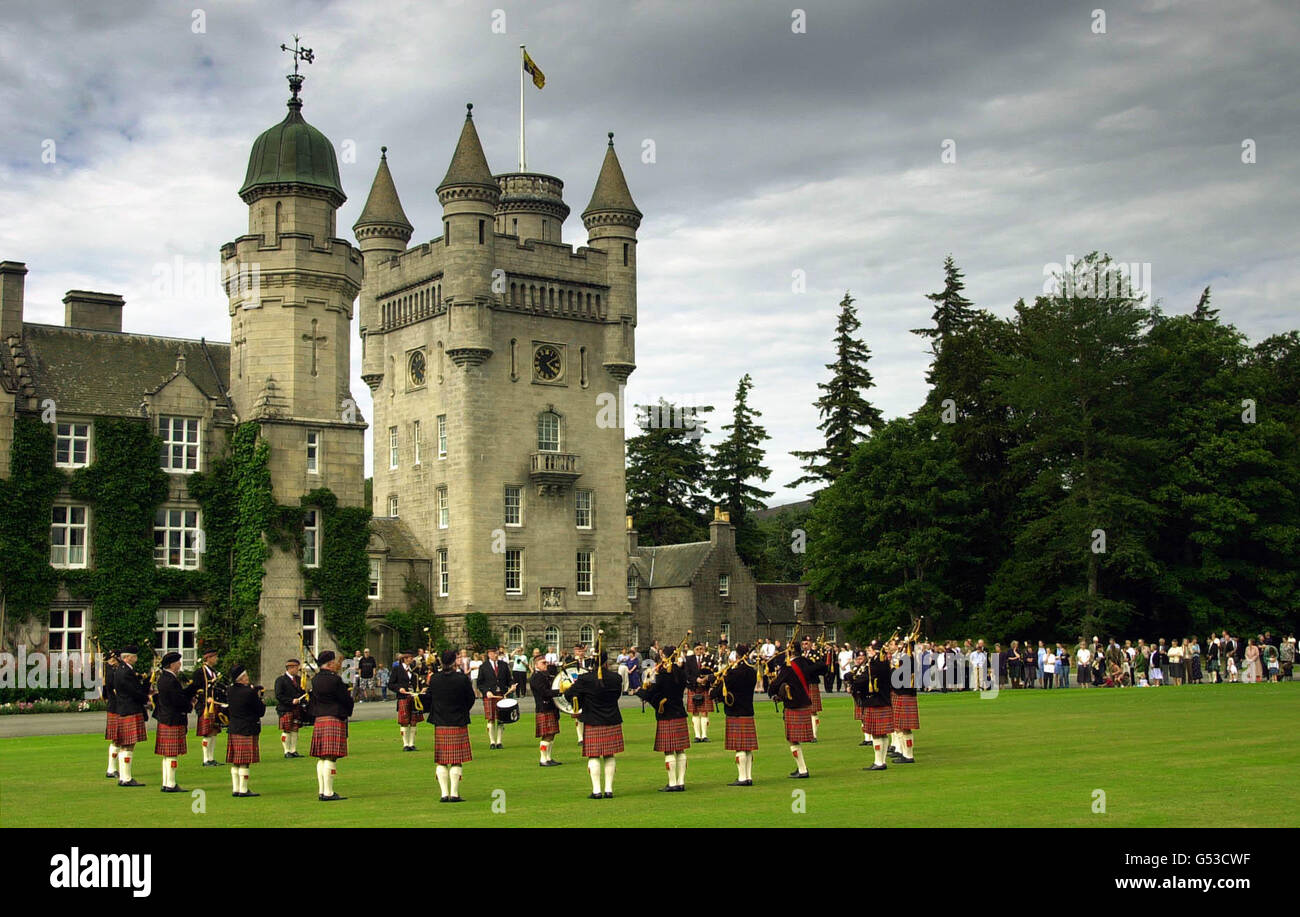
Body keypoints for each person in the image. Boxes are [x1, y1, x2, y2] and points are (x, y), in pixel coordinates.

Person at [563, 650, 624, 799]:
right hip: (612, 719)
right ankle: (609, 790)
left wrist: (581, 699)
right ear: (606, 662)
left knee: (593, 756)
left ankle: (596, 791)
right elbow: (617, 696)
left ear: (592, 661)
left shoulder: (585, 679)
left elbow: (569, 694)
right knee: (609, 755)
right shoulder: (616, 678)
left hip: (592, 720)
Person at [421, 649, 476, 802]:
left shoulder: (435, 679)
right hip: (458, 721)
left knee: (442, 760)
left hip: (440, 722)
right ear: (453, 662)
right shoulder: (462, 679)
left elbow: (429, 699)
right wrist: (462, 710)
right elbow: (470, 698)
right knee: (456, 760)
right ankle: (455, 794)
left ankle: (444, 794)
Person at [767, 642, 825, 778]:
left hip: (793, 705)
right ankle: (801, 768)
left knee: (792, 739)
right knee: (794, 739)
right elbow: (822, 667)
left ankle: (802, 769)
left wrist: (771, 692)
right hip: (805, 702)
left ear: (790, 652)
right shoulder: (805, 662)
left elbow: (776, 684)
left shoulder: (788, 667)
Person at [637, 651, 690, 791]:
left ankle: (672, 783)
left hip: (666, 715)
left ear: (666, 657)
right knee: (680, 750)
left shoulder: (662, 677)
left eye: (662, 656)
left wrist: (643, 686)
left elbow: (650, 693)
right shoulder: (681, 674)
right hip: (680, 713)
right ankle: (681, 782)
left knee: (668, 751)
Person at [308, 650, 354, 801]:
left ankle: (322, 791)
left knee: (322, 758)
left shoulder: (315, 680)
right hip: (333, 717)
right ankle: (328, 793)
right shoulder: (335, 680)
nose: (336, 664)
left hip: (320, 718)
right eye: (333, 662)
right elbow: (345, 699)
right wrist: (348, 708)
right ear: (329, 664)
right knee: (330, 757)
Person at [710, 644, 758, 786]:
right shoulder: (751, 672)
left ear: (737, 657)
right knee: (747, 748)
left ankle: (742, 778)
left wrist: (713, 689)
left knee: (740, 748)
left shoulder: (733, 673)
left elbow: (717, 691)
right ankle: (748, 777)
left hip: (735, 712)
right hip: (748, 711)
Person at [153, 651, 195, 793]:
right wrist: (189, 706)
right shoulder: (170, 680)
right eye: (178, 662)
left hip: (166, 718)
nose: (180, 664)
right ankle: (171, 784)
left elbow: (179, 695)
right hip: (172, 718)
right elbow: (177, 700)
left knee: (167, 754)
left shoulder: (164, 678)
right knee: (172, 754)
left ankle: (166, 783)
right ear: (172, 664)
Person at [111, 644, 149, 787]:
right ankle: (126, 778)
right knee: (128, 745)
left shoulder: (123, 670)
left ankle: (124, 776)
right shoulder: (125, 672)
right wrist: (146, 695)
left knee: (125, 745)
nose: (136, 658)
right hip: (129, 709)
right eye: (134, 656)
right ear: (127, 657)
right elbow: (134, 692)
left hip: (125, 709)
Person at [224, 666, 265, 797]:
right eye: (246, 676)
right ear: (241, 679)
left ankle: (236, 789)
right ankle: (243, 789)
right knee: (245, 762)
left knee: (236, 761)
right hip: (247, 728)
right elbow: (260, 711)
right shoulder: (249, 692)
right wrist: (259, 697)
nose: (248, 678)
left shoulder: (229, 690)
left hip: (234, 727)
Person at [855, 640, 894, 771]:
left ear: (874, 650)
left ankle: (879, 762)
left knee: (877, 734)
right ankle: (881, 761)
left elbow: (865, 679)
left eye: (870, 649)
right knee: (882, 734)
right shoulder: (882, 661)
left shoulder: (875, 663)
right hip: (883, 699)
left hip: (875, 700)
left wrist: (852, 680)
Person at [477, 646, 514, 749]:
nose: (496, 654)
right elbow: (480, 683)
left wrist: (512, 685)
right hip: (490, 696)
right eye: (493, 653)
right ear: (489, 654)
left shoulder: (504, 665)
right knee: (491, 719)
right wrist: (486, 691)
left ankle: (499, 741)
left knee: (501, 719)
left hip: (501, 694)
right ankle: (492, 742)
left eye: (497, 652)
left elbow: (509, 679)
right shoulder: (483, 667)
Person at [191, 647, 223, 766]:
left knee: (213, 731)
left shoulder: (213, 672)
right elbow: (196, 690)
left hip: (213, 705)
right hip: (204, 706)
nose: (216, 659)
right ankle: (205, 759)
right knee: (207, 733)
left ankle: (211, 757)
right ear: (208, 658)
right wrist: (205, 698)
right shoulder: (199, 672)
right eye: (214, 657)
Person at [889, 638, 919, 763]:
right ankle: (903, 752)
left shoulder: (908, 660)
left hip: (904, 694)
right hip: (901, 693)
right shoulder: (907, 659)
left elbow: (897, 676)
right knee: (901, 727)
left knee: (905, 728)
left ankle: (908, 755)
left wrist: (891, 670)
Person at [530, 655, 562, 767]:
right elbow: (545, 692)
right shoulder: (536, 677)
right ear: (536, 665)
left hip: (550, 708)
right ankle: (543, 759)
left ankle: (548, 757)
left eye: (546, 662)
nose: (546, 664)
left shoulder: (545, 675)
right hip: (543, 708)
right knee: (547, 735)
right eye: (543, 663)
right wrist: (560, 691)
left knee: (551, 734)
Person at [274, 658, 308, 758]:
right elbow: (279, 695)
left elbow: (302, 693)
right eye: (297, 668)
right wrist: (291, 700)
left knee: (295, 729)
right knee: (287, 730)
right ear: (290, 668)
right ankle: (286, 751)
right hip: (285, 709)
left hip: (296, 709)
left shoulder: (298, 679)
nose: (298, 670)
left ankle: (293, 750)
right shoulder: (280, 680)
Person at [390, 650, 423, 752]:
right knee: (404, 721)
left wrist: (423, 688)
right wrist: (399, 688)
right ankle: (405, 744)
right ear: (404, 659)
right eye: (409, 658)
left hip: (414, 698)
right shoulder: (397, 669)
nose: (411, 659)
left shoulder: (414, 670)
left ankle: (412, 744)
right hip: (403, 697)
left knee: (414, 721)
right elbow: (390, 684)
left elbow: (418, 683)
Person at [683, 643, 714, 743]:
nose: (699, 651)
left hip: (705, 688)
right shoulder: (689, 659)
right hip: (694, 687)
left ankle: (704, 735)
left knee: (705, 712)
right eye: (697, 649)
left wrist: (706, 679)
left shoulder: (708, 658)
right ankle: (697, 736)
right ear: (694, 649)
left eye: (701, 649)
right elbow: (686, 674)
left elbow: (713, 672)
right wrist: (696, 679)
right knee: (695, 712)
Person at [102, 649, 121, 779]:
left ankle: (113, 768)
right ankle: (111, 768)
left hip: (115, 707)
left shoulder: (112, 671)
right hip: (116, 707)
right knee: (117, 740)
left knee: (118, 740)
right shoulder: (111, 673)